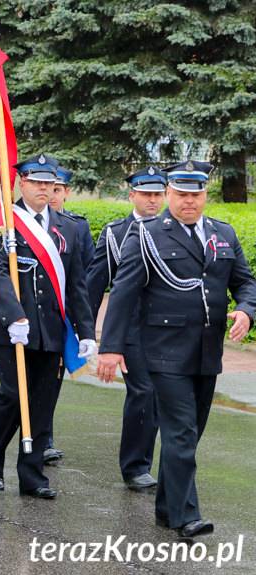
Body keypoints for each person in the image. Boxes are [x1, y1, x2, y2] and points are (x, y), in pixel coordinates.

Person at [97, 160, 256, 538]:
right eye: (182, 194)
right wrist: (110, 347)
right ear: (168, 193)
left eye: (196, 194)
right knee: (181, 433)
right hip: (163, 352)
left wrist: (247, 311)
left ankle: (168, 507)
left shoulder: (223, 234)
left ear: (205, 195)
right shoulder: (148, 235)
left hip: (207, 352)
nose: (189, 201)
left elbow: (246, 283)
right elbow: (122, 293)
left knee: (189, 433)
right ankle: (187, 515)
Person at [0, 154, 95, 499]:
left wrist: (86, 330)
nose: (44, 188)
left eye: (49, 183)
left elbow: (77, 285)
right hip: (13, 329)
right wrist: (14, 315)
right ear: (22, 183)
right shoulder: (3, 223)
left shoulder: (68, 227)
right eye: (36, 182)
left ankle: (31, 476)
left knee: (43, 403)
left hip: (52, 330)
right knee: (13, 397)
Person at [87, 166, 165, 491]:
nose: (152, 199)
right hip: (131, 330)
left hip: (167, 330)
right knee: (143, 391)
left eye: (157, 193)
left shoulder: (173, 230)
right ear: (132, 194)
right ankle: (135, 467)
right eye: (145, 193)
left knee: (161, 396)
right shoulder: (116, 233)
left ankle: (156, 461)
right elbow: (95, 285)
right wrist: (85, 334)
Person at [42, 164, 95, 464]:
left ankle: (45, 436)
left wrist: (82, 323)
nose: (52, 195)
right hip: (31, 316)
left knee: (53, 376)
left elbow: (82, 278)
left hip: (62, 316)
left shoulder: (76, 227)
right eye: (48, 188)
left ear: (66, 193)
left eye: (58, 190)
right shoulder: (23, 224)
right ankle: (31, 432)